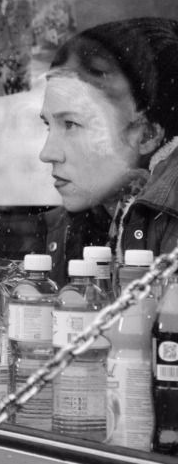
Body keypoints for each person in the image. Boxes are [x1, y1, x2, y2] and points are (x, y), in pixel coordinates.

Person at [38, 17, 178, 284]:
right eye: (49, 125)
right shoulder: (80, 219)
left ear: (146, 134)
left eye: (71, 124)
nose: (47, 153)